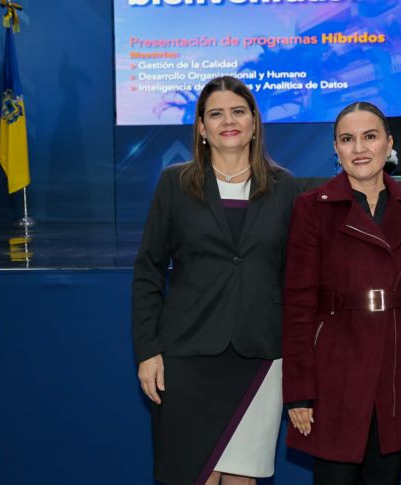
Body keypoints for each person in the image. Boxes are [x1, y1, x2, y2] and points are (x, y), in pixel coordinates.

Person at [132, 76, 298, 485]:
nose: (229, 121)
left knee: (243, 478)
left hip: (259, 356)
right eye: (216, 114)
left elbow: (296, 279)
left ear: (255, 122)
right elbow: (148, 271)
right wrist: (147, 351)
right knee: (194, 476)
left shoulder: (286, 187)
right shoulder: (174, 183)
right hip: (187, 354)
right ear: (202, 128)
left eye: (239, 111)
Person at [282, 101, 401, 485]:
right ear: (336, 150)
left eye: (370, 137)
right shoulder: (312, 208)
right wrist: (299, 391)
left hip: (400, 371)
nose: (359, 148)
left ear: (389, 144)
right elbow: (298, 305)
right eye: (347, 139)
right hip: (334, 373)